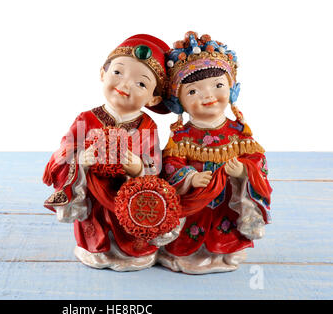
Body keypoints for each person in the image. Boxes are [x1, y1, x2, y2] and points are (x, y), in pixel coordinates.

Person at [43, 34, 175, 271]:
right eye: (118, 73)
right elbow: (64, 152)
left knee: (132, 229)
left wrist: (136, 167)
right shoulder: (86, 119)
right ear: (102, 74)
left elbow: (154, 164)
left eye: (141, 83)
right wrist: (81, 159)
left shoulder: (147, 126)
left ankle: (133, 253)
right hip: (94, 193)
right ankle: (95, 249)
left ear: (153, 97)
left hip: (128, 194)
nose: (125, 85)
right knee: (96, 225)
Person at [159, 31, 272, 274]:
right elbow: (169, 165)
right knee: (188, 232)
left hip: (226, 206)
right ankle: (185, 254)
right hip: (195, 206)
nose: (208, 95)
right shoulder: (181, 137)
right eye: (193, 91)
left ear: (231, 89)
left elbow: (257, 161)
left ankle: (226, 250)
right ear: (178, 103)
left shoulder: (239, 133)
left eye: (218, 85)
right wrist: (189, 178)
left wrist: (244, 170)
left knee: (227, 232)